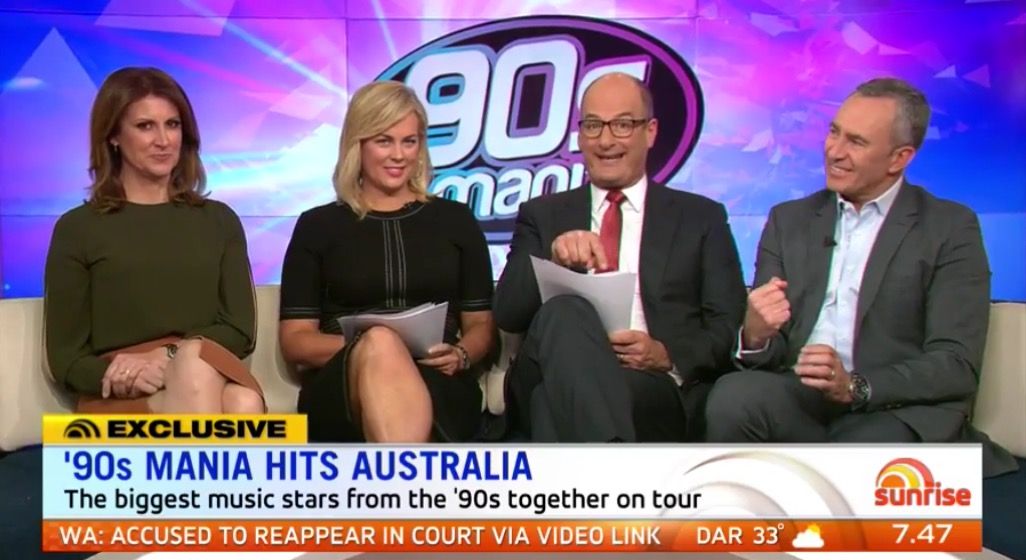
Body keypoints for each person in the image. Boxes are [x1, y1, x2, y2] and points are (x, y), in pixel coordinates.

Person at [705, 77, 1017, 477]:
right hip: (802, 397)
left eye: (856, 142)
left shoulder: (949, 227)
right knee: (733, 397)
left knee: (856, 451)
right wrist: (755, 335)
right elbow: (770, 350)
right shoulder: (789, 220)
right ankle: (742, 515)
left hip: (895, 408)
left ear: (899, 158)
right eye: (834, 132)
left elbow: (955, 364)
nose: (834, 151)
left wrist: (855, 386)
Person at [493, 73, 747, 443]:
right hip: (548, 367)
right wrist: (554, 260)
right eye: (593, 125)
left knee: (550, 404)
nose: (606, 140)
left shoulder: (699, 218)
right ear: (580, 135)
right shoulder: (543, 214)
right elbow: (508, 313)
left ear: (651, 132)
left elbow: (727, 325)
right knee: (565, 310)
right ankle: (611, 463)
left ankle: (598, 466)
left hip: (649, 382)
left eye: (623, 125)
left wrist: (666, 355)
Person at [278, 80, 495, 443]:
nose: (399, 155)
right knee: (380, 341)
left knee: (388, 350)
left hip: (439, 378)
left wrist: (460, 354)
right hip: (341, 386)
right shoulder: (317, 226)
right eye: (384, 141)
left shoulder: (456, 220)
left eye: (409, 141)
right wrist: (375, 347)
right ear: (357, 144)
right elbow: (296, 341)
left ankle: (393, 473)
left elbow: (482, 325)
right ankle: (407, 475)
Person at [44, 66, 263, 414]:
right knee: (239, 403)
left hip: (203, 366)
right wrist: (124, 375)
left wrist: (170, 356)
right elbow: (66, 358)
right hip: (120, 388)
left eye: (172, 124)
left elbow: (240, 330)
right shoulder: (78, 228)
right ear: (113, 136)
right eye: (145, 126)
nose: (163, 140)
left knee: (226, 388)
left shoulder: (219, 220)